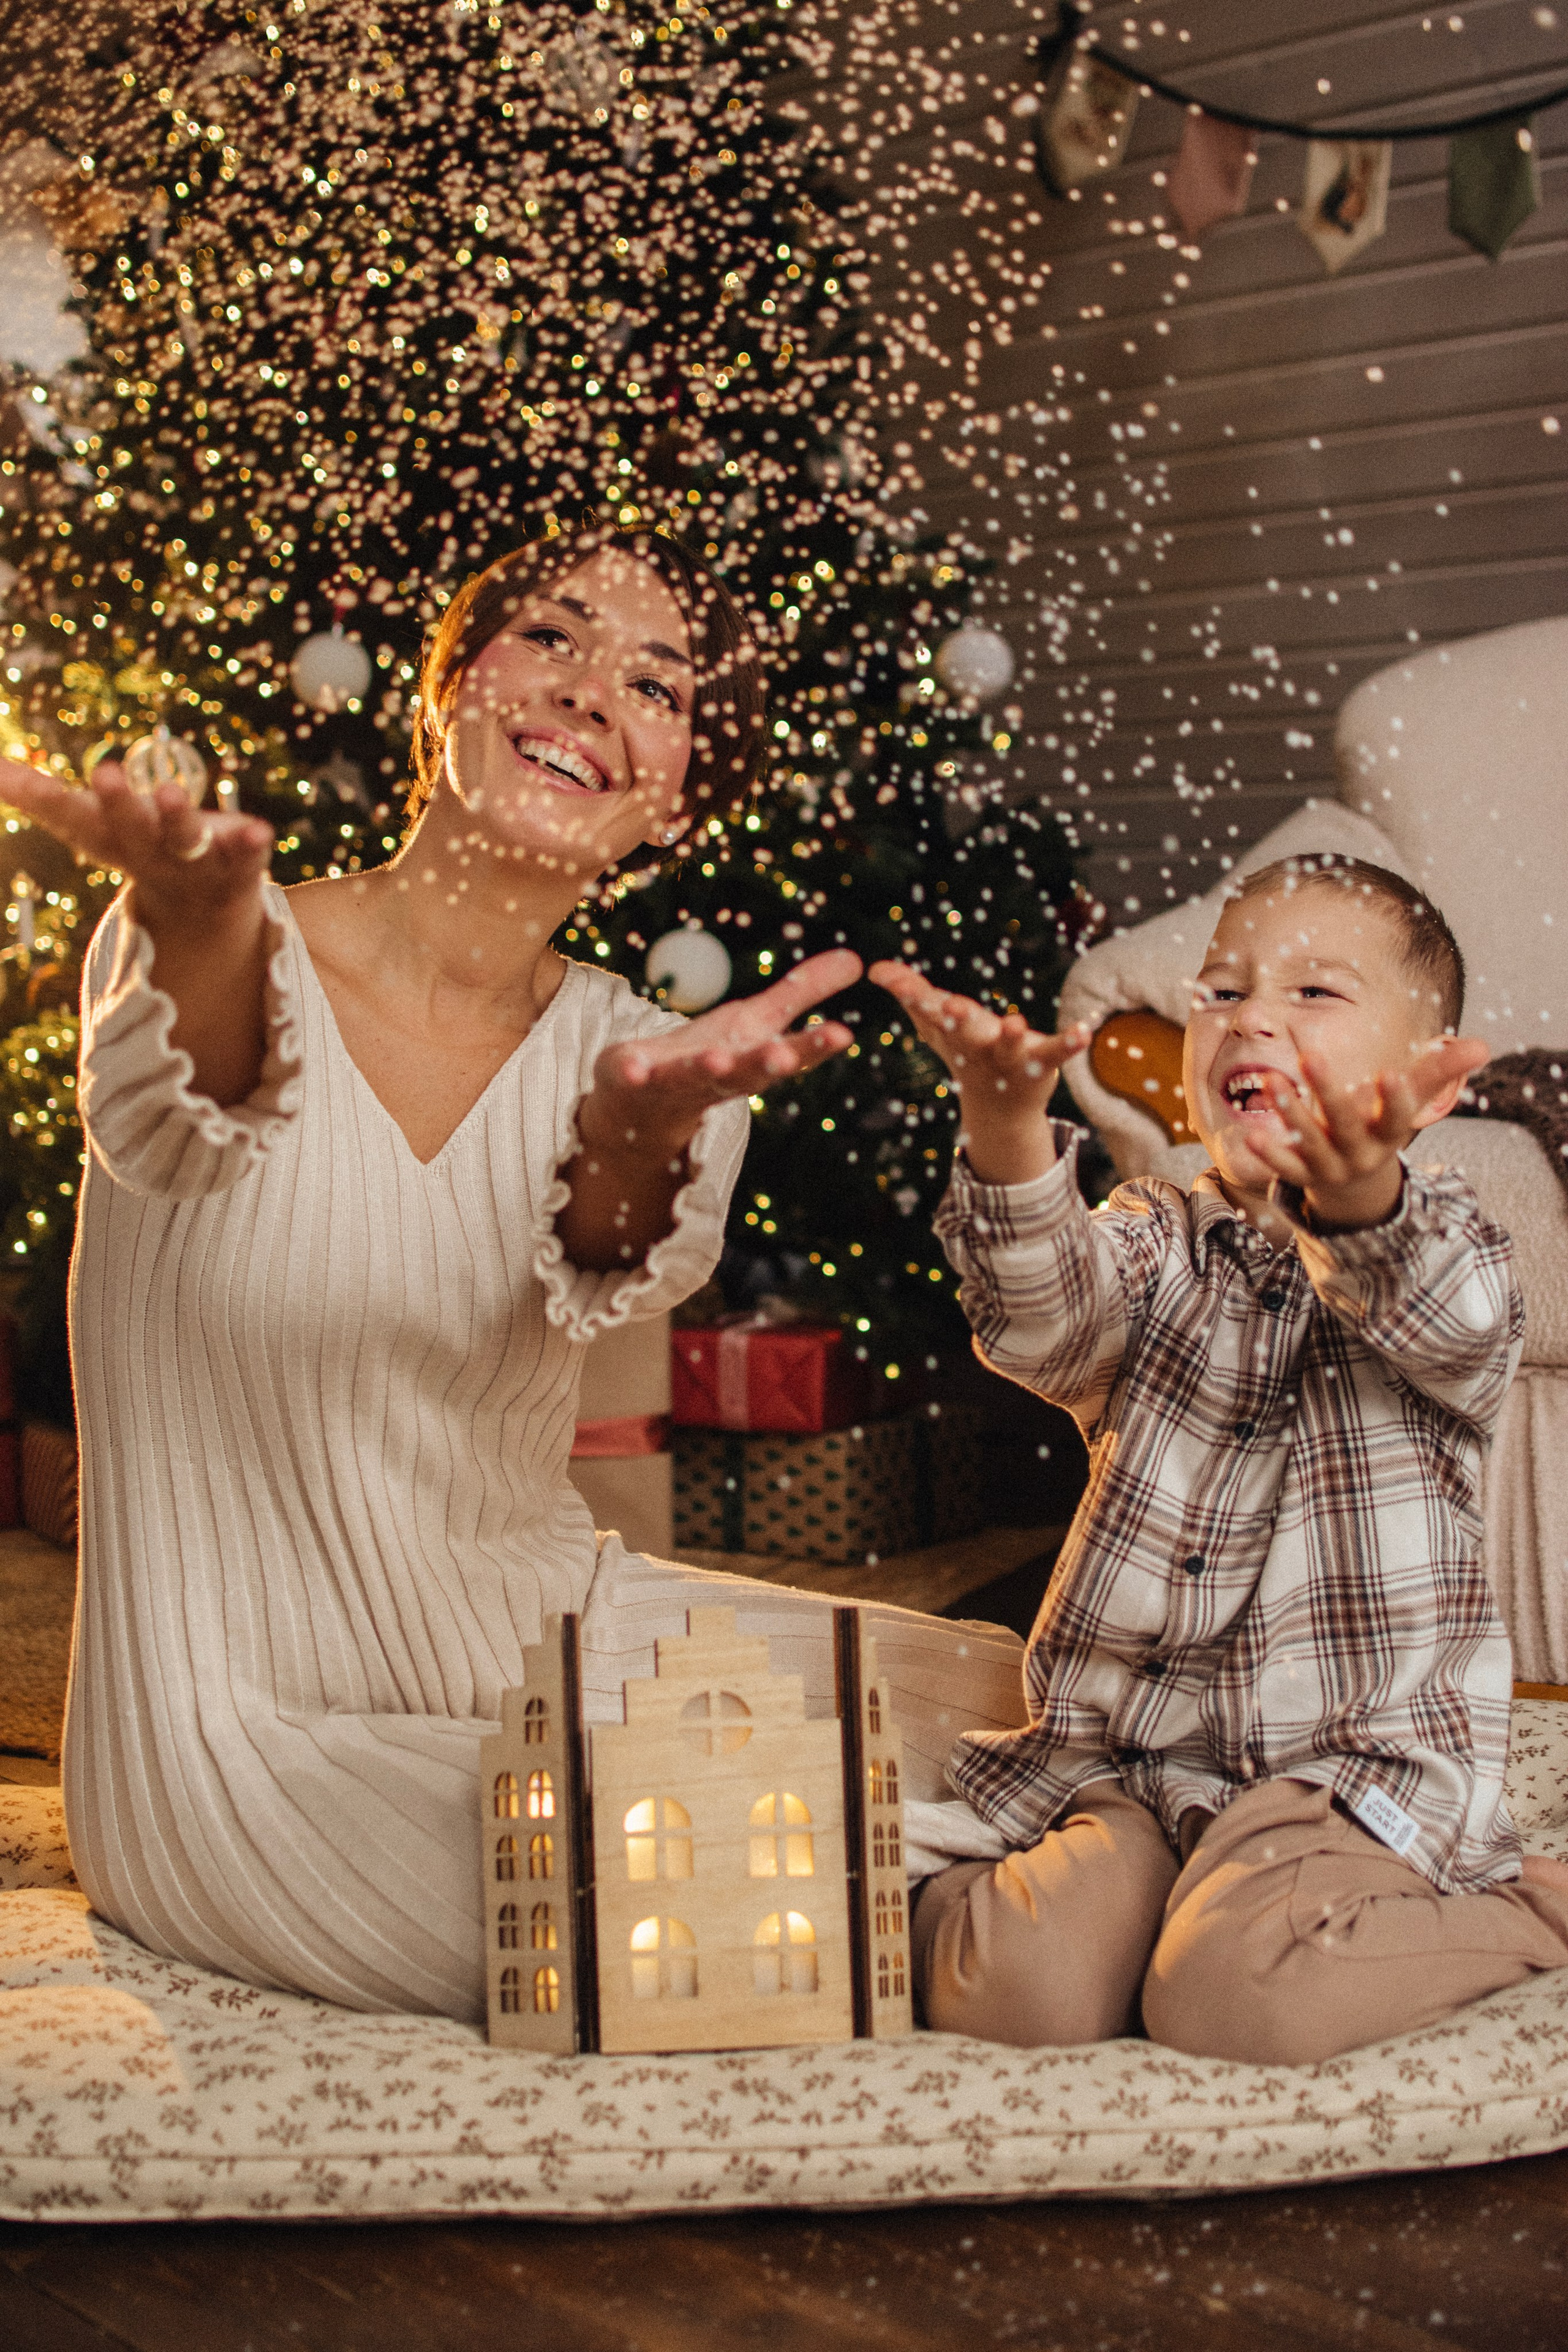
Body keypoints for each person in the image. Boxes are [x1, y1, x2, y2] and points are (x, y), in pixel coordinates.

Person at [2, 526, 1022, 2020]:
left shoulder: (669, 1065)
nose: (597, 692)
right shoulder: (199, 941)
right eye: (552, 636)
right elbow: (196, 1110)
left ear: (678, 798)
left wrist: (633, 1131)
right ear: (446, 688)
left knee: (1016, 1709)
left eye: (659, 685)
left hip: (550, 1632)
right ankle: (1082, 1921)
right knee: (708, 1877)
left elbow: (601, 1255)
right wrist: (205, 919)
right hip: (249, 1738)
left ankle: (1124, 1889)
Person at [874, 855, 1568, 2065]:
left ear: (1416, 1076)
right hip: (1128, 1767)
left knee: (1235, 2003)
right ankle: (949, 1887)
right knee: (1016, 1994)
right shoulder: (1150, 1237)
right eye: (1220, 992)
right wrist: (1001, 1128)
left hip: (1338, 1779)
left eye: (1312, 994)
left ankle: (1520, 1905)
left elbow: (1453, 1326)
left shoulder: (1447, 1237)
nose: (1247, 1016)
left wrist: (1356, 1197)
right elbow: (1040, 1321)